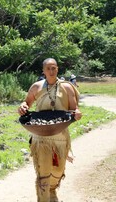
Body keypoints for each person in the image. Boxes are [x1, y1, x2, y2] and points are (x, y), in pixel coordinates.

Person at [18, 58, 82, 202]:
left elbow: (74, 108)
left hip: (60, 135)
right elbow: (26, 103)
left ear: (57, 69)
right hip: (41, 136)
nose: (51, 71)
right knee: (44, 173)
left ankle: (52, 190)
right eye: (48, 68)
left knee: (58, 171)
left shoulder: (67, 87)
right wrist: (22, 107)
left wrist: (77, 113)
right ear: (43, 71)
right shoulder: (36, 87)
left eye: (54, 68)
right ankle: (44, 198)